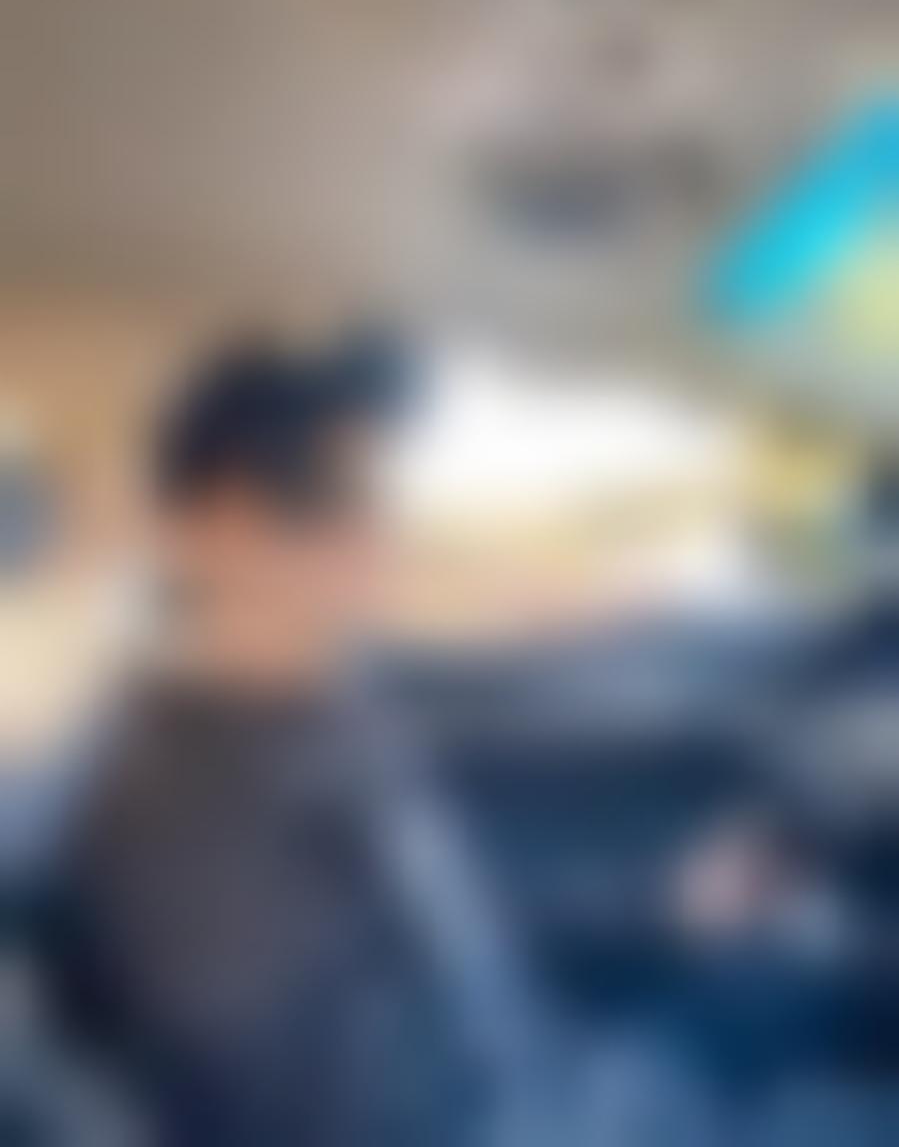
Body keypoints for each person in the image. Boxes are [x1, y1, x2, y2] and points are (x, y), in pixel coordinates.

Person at [26, 332, 544, 1147]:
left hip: (530, 1080)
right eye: (335, 501)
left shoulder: (330, 700)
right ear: (216, 529)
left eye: (379, 502)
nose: (378, 536)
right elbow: (317, 1111)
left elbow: (436, 927)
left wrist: (654, 912)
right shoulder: (173, 819)